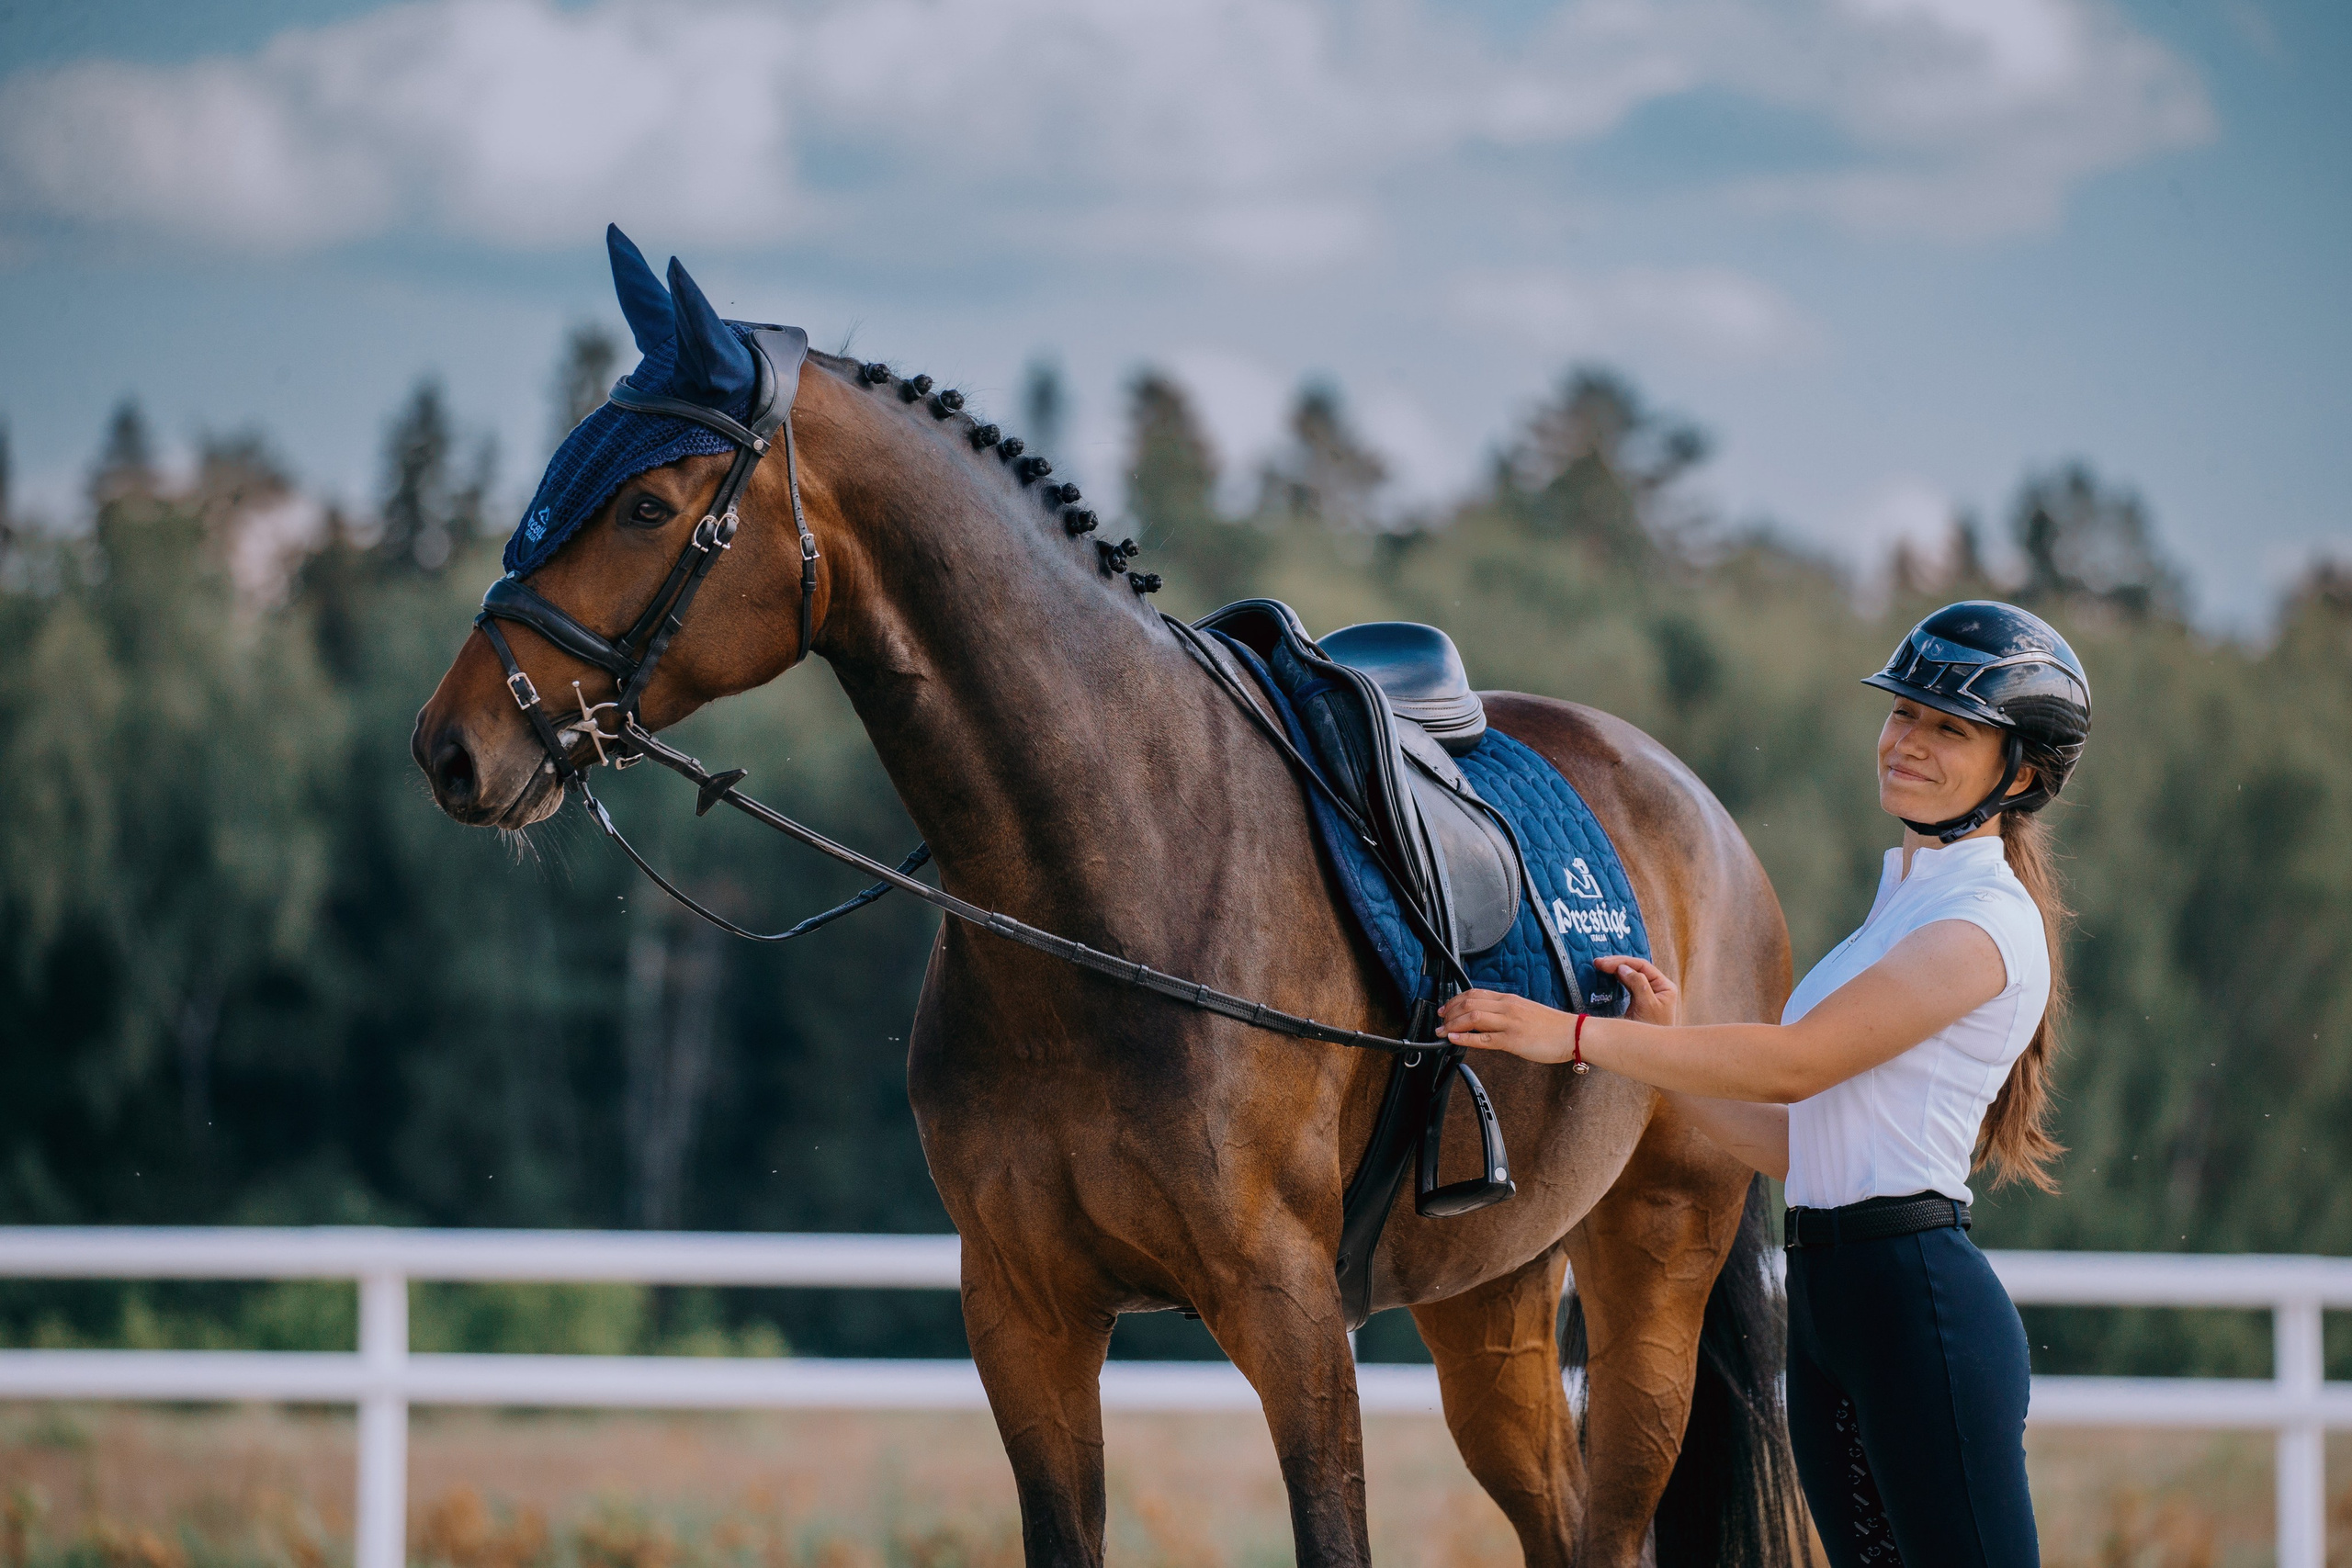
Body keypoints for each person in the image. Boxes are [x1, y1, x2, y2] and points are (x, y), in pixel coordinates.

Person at [1440, 600, 2092, 1568]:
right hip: (1829, 1299)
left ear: (2020, 772)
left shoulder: (1984, 924)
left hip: (1915, 1300)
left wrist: (1572, 1036)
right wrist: (1666, 1053)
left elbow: (1797, 1065)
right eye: (1904, 713)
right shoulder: (1901, 911)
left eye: (1948, 728)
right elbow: (1796, 1147)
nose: (1906, 741)